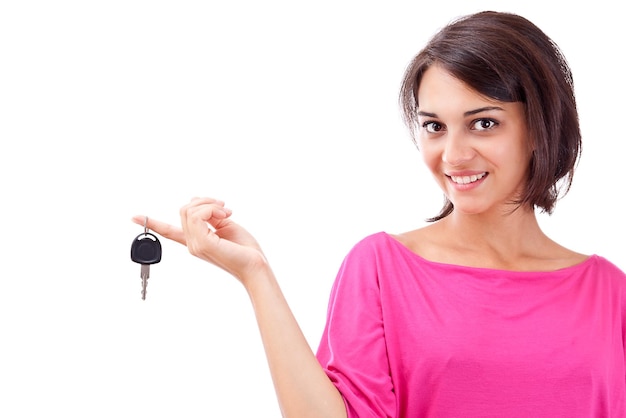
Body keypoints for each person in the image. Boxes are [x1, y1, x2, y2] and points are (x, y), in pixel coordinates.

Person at [132, 10, 626, 417]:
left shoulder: (609, 292)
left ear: (540, 127)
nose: (453, 155)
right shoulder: (382, 268)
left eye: (482, 123)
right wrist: (257, 276)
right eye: (435, 126)